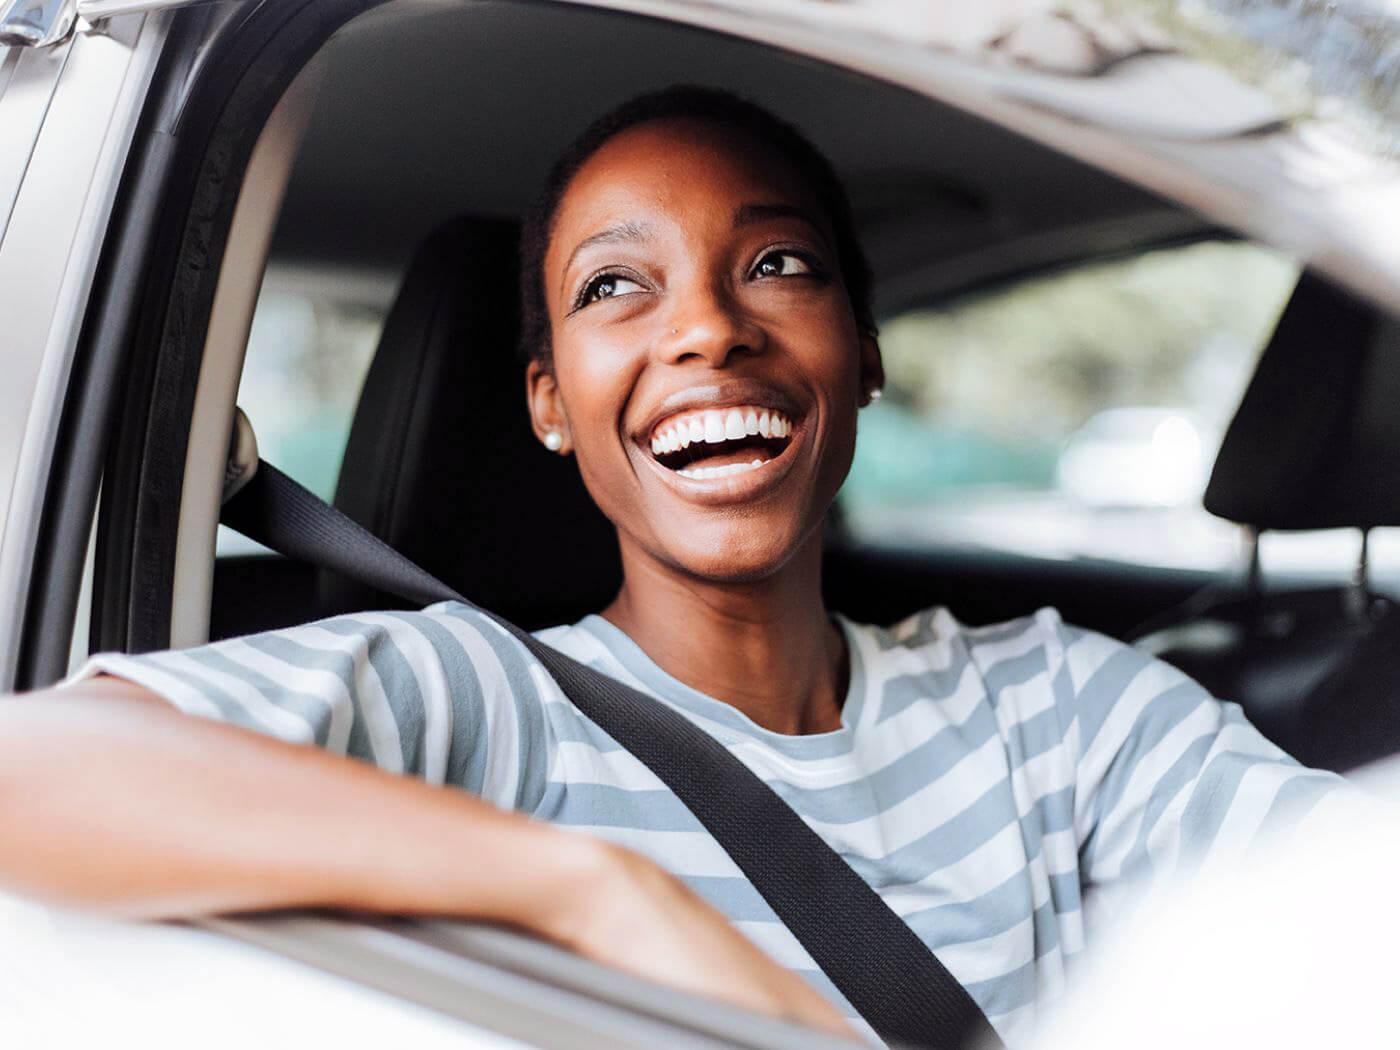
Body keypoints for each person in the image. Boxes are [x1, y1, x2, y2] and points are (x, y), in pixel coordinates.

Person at [0, 87, 1345, 1046]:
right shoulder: (486, 696)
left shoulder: (1056, 704)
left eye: (777, 264)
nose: (708, 325)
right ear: (547, 400)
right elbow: (30, 770)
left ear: (861, 354)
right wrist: (592, 890)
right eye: (614, 287)